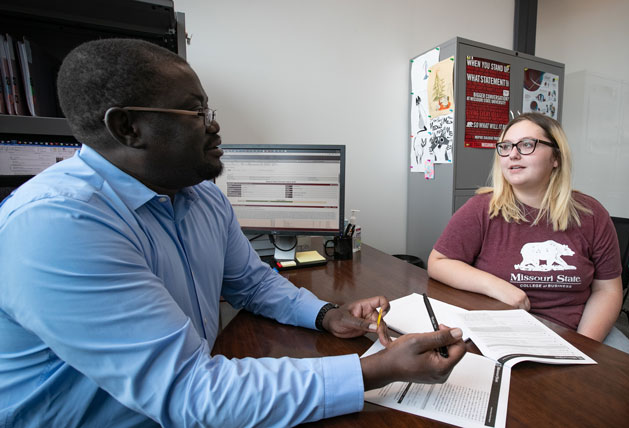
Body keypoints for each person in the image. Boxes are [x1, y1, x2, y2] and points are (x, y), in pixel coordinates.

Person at [0, 38, 466, 427]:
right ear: (128, 127)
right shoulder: (59, 224)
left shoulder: (201, 196)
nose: (214, 124)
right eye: (196, 111)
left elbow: (250, 281)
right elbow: (190, 392)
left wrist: (327, 315)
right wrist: (374, 370)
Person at [427, 112, 629, 359]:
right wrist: (498, 287)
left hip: (576, 331)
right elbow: (438, 262)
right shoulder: (481, 209)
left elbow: (607, 290)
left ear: (556, 158)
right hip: (502, 329)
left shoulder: (592, 214)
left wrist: (581, 347)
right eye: (505, 147)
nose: (513, 154)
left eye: (527, 145)